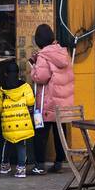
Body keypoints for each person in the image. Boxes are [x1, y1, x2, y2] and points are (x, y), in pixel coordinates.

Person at [29, 24, 75, 173]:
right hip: (63, 101)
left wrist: (33, 66)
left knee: (41, 132)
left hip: (47, 102)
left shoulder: (43, 55)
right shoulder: (63, 53)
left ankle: (40, 164)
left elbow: (40, 77)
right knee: (60, 132)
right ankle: (59, 162)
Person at [0, 61, 36, 178]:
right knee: (21, 144)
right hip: (22, 122)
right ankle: (21, 169)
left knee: (7, 142)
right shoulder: (25, 86)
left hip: (8, 122)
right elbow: (30, 102)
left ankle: (4, 166)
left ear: (6, 74)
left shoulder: (2, 89)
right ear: (18, 73)